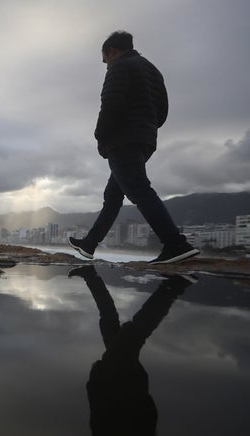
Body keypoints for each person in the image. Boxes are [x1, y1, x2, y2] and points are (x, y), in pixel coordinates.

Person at [68, 31, 199, 265]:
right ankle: (89, 245)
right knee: (112, 196)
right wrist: (147, 128)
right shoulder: (152, 69)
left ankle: (176, 244)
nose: (104, 64)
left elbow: (110, 105)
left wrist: (101, 137)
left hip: (123, 140)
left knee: (139, 190)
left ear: (113, 52)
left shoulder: (120, 67)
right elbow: (162, 109)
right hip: (145, 138)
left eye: (105, 58)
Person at [69, 265, 196, 436]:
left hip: (118, 376)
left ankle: (91, 277)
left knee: (110, 323)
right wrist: (122, 386)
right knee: (134, 332)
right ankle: (175, 286)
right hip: (122, 378)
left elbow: (99, 410)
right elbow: (140, 415)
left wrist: (98, 379)